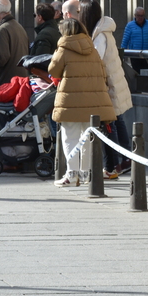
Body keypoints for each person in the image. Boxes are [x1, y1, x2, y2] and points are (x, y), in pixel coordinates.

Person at [49, 18, 115, 187]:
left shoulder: (64, 48)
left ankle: (71, 174)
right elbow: (102, 71)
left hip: (70, 100)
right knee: (87, 137)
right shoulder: (91, 48)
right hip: (93, 101)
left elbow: (53, 70)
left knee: (70, 137)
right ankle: (86, 174)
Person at [81, 0, 133, 180]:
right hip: (114, 83)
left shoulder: (100, 35)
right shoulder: (102, 32)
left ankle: (115, 164)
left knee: (110, 124)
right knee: (117, 121)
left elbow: (95, 60)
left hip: (109, 86)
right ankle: (124, 161)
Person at [120, 5, 148, 74]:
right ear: (135, 15)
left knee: (147, 74)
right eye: (138, 15)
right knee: (136, 74)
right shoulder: (130, 25)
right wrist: (122, 55)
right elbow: (125, 41)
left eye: (142, 16)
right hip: (135, 55)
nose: (140, 18)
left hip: (147, 55)